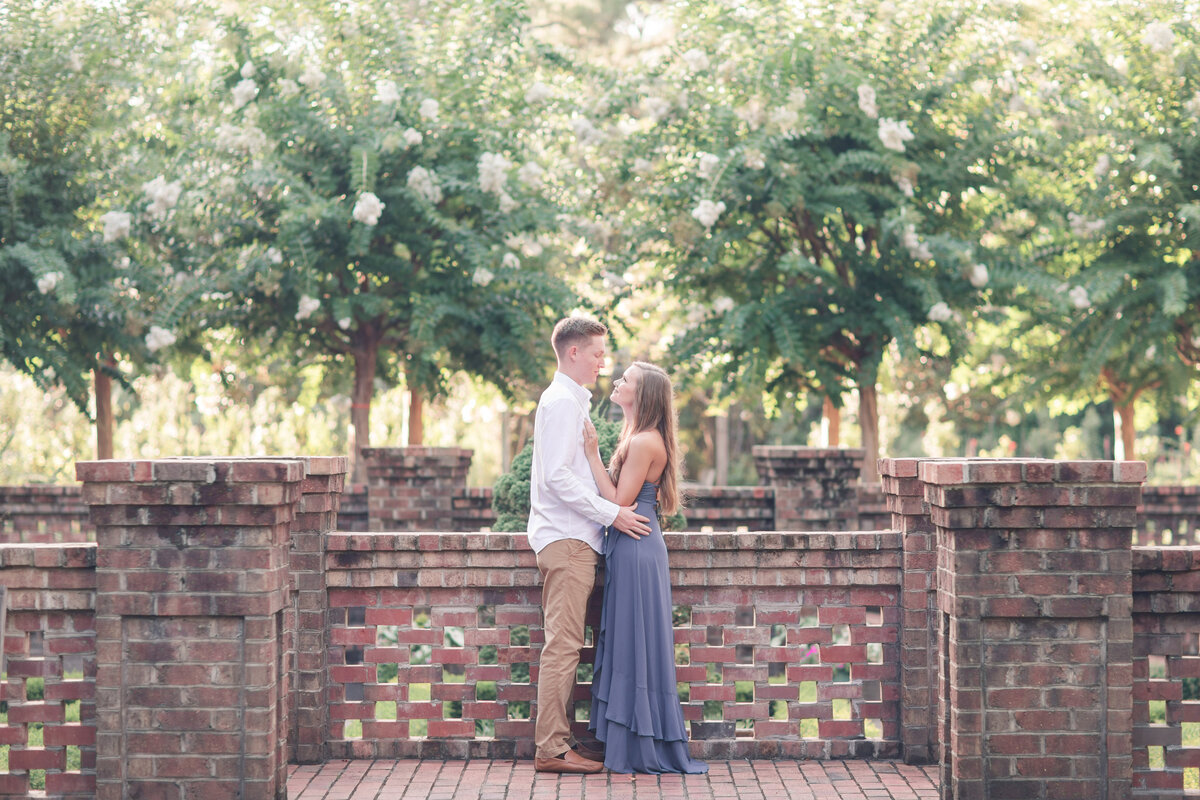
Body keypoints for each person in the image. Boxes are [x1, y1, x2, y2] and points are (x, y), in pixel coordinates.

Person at [528, 317, 652, 775]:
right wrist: (613, 514)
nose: (605, 361)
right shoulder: (561, 402)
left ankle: (561, 740)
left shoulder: (572, 402)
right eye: (598, 353)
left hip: (576, 541)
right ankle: (552, 750)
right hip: (566, 541)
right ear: (574, 352)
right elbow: (556, 478)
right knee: (562, 647)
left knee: (568, 645)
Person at [581, 362, 708, 774]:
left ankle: (637, 747)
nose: (617, 383)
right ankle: (631, 741)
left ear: (643, 395)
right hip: (633, 545)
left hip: (636, 548)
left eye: (626, 381)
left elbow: (618, 502)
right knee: (629, 641)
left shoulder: (643, 442)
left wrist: (590, 455)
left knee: (635, 643)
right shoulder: (637, 436)